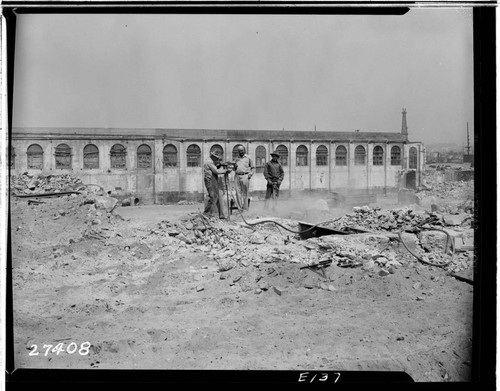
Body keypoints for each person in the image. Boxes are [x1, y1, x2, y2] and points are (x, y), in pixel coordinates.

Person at [203, 151, 229, 219]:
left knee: (218, 197)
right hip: (210, 181)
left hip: (214, 180)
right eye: (216, 158)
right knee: (212, 197)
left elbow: (215, 168)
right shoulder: (209, 162)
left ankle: (221, 215)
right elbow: (216, 171)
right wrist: (224, 171)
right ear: (213, 156)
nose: (217, 160)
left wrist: (219, 165)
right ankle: (206, 213)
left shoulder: (212, 162)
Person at [233, 145, 255, 211]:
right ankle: (240, 209)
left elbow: (253, 168)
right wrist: (234, 166)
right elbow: (234, 169)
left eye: (242, 150)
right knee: (238, 193)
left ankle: (245, 209)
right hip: (237, 176)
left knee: (245, 193)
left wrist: (250, 174)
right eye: (239, 151)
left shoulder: (248, 158)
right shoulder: (236, 159)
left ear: (244, 150)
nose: (240, 152)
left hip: (245, 176)